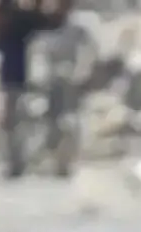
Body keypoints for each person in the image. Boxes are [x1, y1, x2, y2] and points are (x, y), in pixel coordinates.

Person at [0, 0, 66, 178]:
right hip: (18, 81)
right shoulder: (14, 23)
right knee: (16, 124)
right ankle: (19, 162)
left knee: (23, 123)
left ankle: (23, 162)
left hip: (27, 79)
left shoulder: (19, 21)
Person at [35, 0, 96, 177]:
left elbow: (88, 53)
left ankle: (69, 161)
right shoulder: (46, 28)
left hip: (73, 82)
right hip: (52, 82)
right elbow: (39, 54)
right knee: (53, 123)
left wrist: (80, 73)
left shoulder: (79, 29)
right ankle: (55, 159)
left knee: (71, 122)